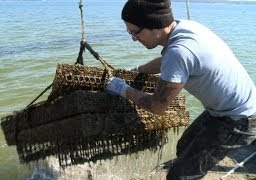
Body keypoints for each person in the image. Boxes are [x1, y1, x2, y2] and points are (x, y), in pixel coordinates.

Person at [105, 0, 256, 179]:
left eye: (135, 32)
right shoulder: (184, 27)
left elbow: (157, 107)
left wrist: (122, 89)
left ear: (155, 25)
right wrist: (139, 69)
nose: (133, 38)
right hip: (227, 108)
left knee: (179, 176)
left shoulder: (179, 52)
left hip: (240, 119)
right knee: (183, 147)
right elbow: (167, 61)